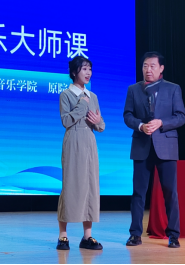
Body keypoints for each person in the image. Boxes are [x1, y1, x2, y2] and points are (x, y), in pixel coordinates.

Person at [123, 51, 185, 248]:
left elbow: (181, 116)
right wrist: (141, 126)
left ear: (161, 68)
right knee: (138, 192)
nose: (148, 69)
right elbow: (127, 115)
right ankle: (135, 234)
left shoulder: (173, 89)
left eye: (152, 66)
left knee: (170, 192)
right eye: (145, 66)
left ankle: (173, 235)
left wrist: (161, 122)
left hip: (166, 146)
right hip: (142, 145)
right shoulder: (133, 89)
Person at [56, 56, 105, 251]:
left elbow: (101, 125)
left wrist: (97, 122)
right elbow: (66, 121)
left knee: (90, 186)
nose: (88, 73)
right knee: (70, 186)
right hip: (73, 141)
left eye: (90, 69)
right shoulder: (66, 95)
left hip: (89, 142)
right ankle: (63, 235)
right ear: (74, 72)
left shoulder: (93, 96)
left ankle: (87, 236)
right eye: (84, 69)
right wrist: (82, 105)